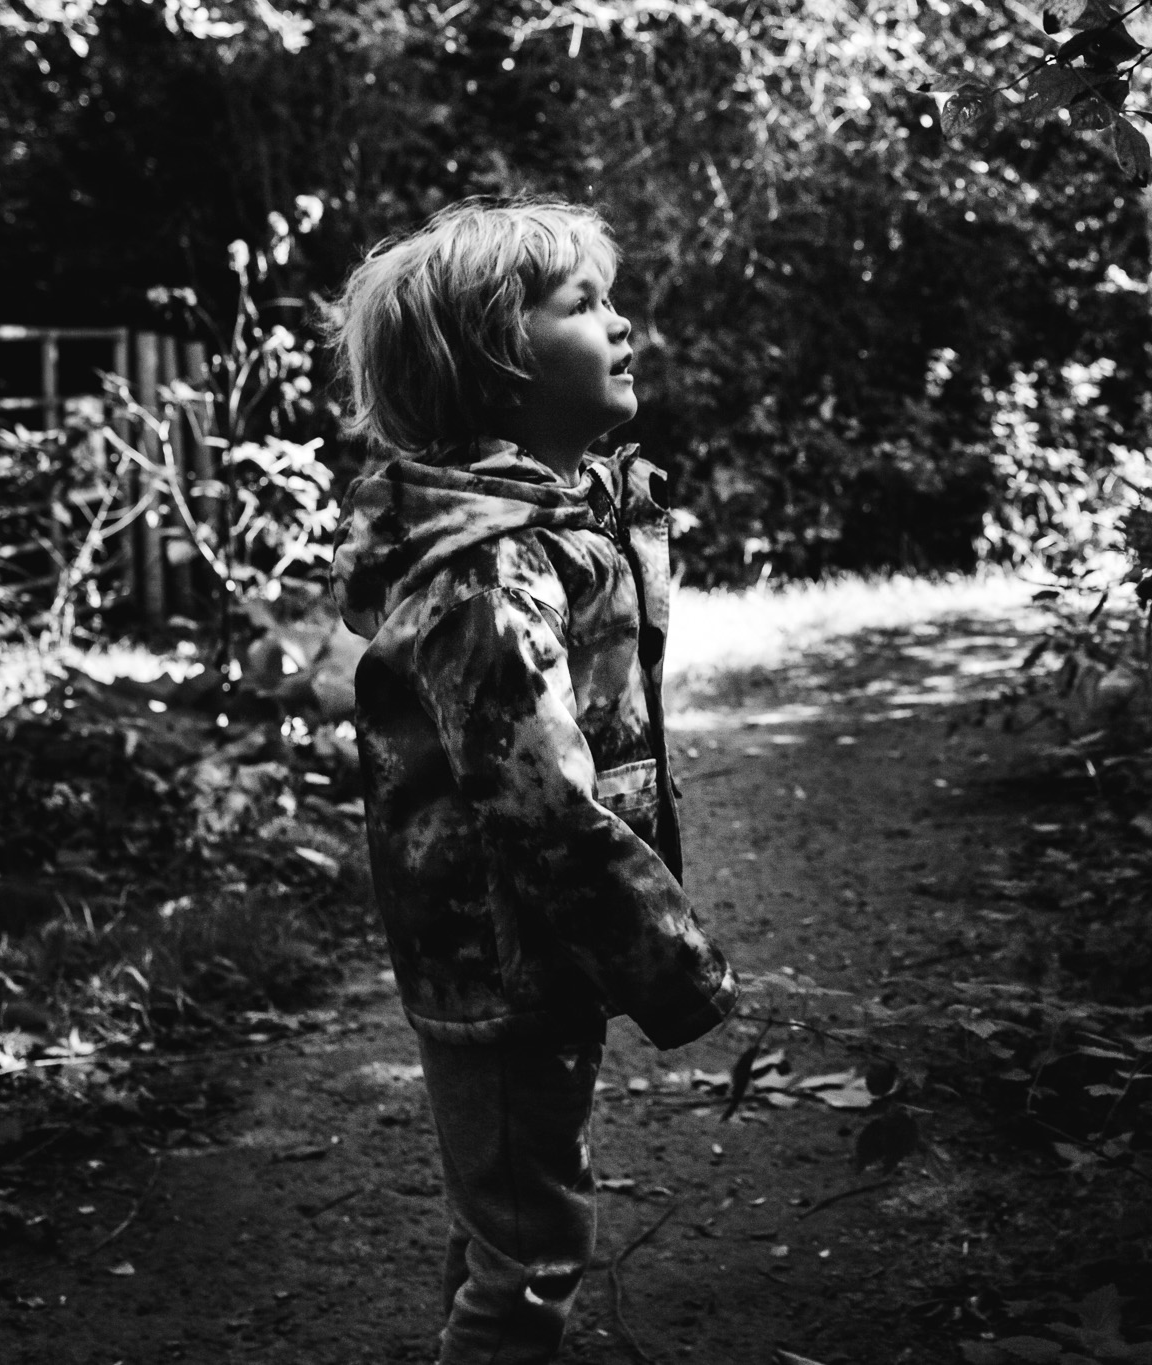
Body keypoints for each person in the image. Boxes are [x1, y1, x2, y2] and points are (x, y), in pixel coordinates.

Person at [327, 198, 737, 1365]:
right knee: (530, 1243)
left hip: (527, 942)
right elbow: (542, 803)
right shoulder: (487, 568)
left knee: (509, 1202)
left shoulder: (543, 514)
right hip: (503, 946)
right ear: (501, 364)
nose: (621, 326)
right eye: (584, 305)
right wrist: (668, 956)